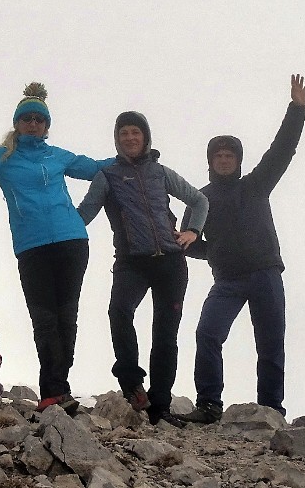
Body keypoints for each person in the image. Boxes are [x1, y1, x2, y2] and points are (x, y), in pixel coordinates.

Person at [0, 83, 112, 414]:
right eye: (27, 119)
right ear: (17, 124)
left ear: (46, 126)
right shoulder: (3, 157)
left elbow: (98, 168)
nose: (33, 124)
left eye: (39, 119)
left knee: (67, 318)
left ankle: (56, 391)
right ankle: (54, 391)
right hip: (32, 246)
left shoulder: (59, 156)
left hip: (71, 241)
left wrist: (133, 159)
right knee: (44, 318)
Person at [179, 75, 305, 424]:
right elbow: (188, 242)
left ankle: (270, 412)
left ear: (238, 160)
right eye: (218, 155)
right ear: (210, 160)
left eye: (229, 155)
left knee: (270, 345)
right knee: (207, 334)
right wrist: (211, 252)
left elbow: (282, 150)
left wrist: (297, 109)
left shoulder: (255, 184)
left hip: (265, 273)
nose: (224, 159)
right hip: (227, 281)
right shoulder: (199, 200)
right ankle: (208, 404)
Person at [77, 111, 209, 426]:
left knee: (165, 335)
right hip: (130, 262)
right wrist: (56, 225)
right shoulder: (107, 176)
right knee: (119, 312)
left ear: (145, 137)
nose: (130, 138)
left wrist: (193, 231)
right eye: (124, 133)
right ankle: (131, 381)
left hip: (171, 263)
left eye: (135, 132)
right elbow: (84, 213)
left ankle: (160, 407)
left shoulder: (161, 172)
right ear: (117, 139)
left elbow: (200, 200)